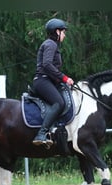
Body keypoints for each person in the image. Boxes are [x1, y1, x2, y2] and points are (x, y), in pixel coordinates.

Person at [32, 18, 74, 146]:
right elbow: (47, 65)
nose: (64, 35)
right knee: (59, 103)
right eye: (63, 32)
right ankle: (41, 133)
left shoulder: (52, 45)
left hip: (49, 80)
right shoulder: (51, 44)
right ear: (57, 31)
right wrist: (65, 78)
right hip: (42, 80)